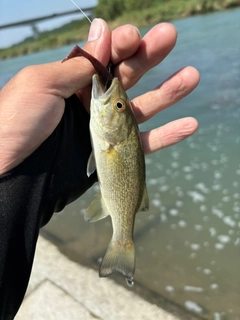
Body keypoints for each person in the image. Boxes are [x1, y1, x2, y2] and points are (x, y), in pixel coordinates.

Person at [0, 19, 200, 319]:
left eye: (119, 107)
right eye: (121, 106)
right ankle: (122, 244)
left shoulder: (111, 132)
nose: (116, 101)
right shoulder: (108, 130)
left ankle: (122, 241)